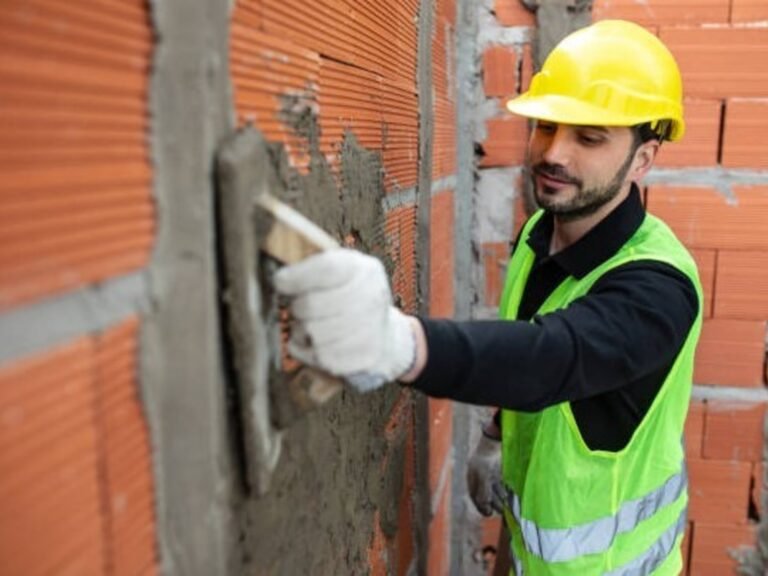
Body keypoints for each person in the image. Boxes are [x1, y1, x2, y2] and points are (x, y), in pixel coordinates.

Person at [274, 20, 702, 576]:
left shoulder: (659, 288)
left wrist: (399, 343)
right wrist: (497, 438)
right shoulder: (541, 232)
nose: (554, 154)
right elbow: (529, 347)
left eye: (589, 138)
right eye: (547, 126)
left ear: (643, 159)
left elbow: (554, 357)